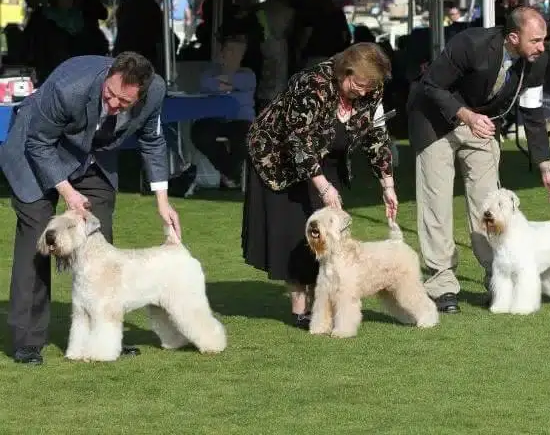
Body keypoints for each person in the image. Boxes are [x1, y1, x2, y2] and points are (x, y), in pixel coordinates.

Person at [0, 52, 181, 365]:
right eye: (109, 95)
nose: (113, 105)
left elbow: (152, 141)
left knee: (101, 233)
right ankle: (27, 341)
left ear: (141, 93)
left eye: (124, 102)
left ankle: (105, 335)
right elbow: (39, 142)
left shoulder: (155, 91)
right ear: (107, 75)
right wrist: (67, 192)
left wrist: (162, 202)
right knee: (38, 237)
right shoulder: (68, 86)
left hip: (94, 154)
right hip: (35, 150)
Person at [407, 6, 550, 314]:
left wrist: (547, 170)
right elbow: (432, 84)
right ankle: (442, 285)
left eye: (544, 39)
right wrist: (466, 115)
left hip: (480, 125)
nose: (542, 47)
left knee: (489, 204)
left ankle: (496, 277)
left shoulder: (537, 60)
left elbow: (533, 115)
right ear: (512, 37)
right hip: (435, 121)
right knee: (436, 204)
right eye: (535, 40)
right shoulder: (470, 44)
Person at [242, 42, 398, 329]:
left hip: (328, 155)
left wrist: (387, 184)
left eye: (369, 87)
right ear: (344, 72)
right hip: (280, 158)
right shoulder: (311, 83)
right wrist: (323, 186)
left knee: (329, 229)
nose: (363, 92)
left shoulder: (371, 88)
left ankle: (324, 302)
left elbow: (376, 135)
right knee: (295, 229)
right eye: (358, 85)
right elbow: (298, 141)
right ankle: (301, 308)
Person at [192, 29, 256, 189]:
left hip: (240, 120)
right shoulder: (209, 72)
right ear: (222, 53)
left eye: (237, 51)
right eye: (230, 50)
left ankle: (228, 174)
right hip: (214, 118)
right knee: (199, 134)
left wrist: (224, 83)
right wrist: (230, 84)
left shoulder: (248, 74)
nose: (233, 55)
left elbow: (242, 83)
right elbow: (206, 83)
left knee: (245, 138)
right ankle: (230, 172)